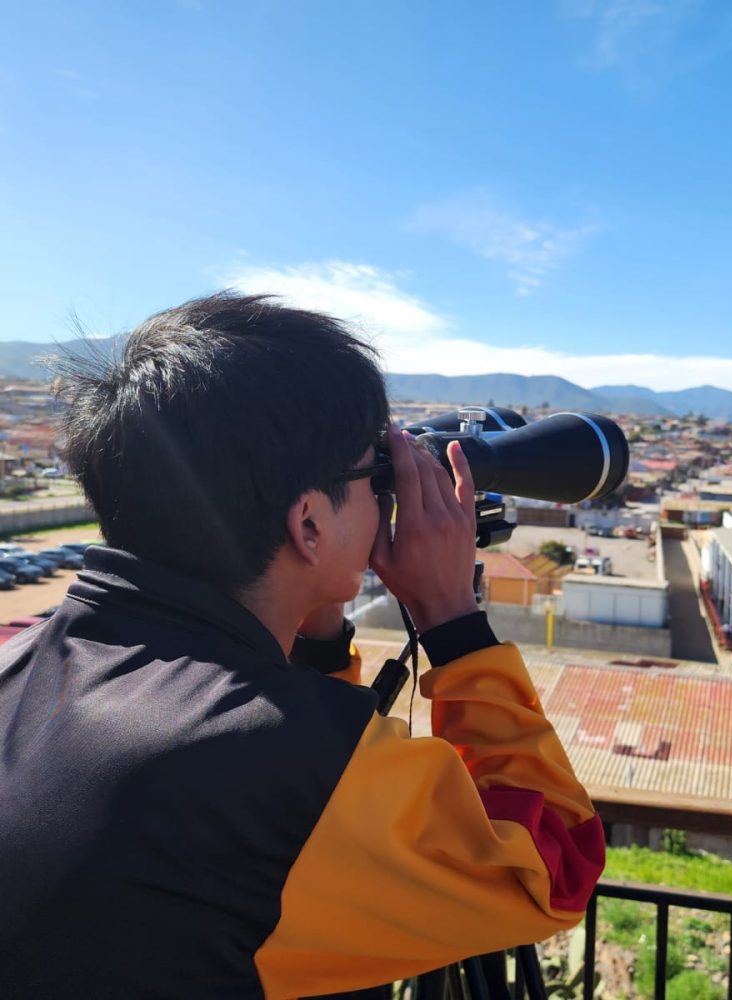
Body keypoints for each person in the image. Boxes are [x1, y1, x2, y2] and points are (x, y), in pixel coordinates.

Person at [0, 293, 604, 999]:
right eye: (376, 473)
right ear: (309, 522)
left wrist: (315, 624)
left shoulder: (22, 662)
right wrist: (452, 620)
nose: (389, 499)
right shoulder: (283, 767)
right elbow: (554, 871)